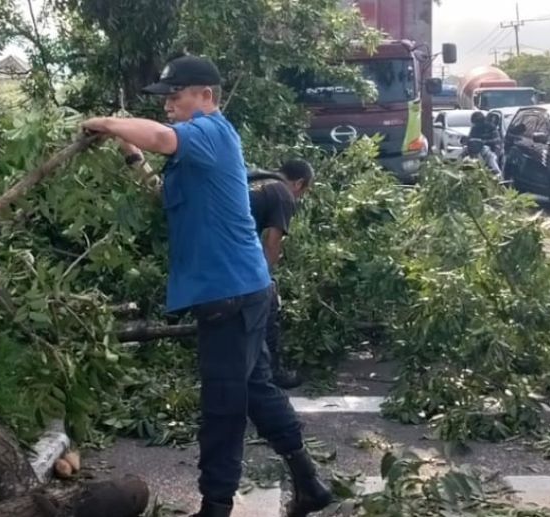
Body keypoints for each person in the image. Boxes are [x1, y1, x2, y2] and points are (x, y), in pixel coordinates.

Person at [82, 55, 332, 517]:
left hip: (229, 295)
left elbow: (160, 137)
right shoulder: (196, 151)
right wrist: (128, 153)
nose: (169, 107)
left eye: (176, 98)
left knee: (223, 405)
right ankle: (310, 483)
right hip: (241, 290)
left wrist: (107, 122)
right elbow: (161, 192)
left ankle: (215, 507)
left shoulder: (212, 133)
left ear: (206, 96)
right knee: (255, 388)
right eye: (167, 100)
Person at [248, 160, 313, 389]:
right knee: (268, 303)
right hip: (236, 252)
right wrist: (266, 278)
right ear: (299, 183)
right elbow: (272, 242)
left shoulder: (256, 177)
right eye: (303, 193)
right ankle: (272, 372)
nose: (299, 198)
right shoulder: (284, 194)